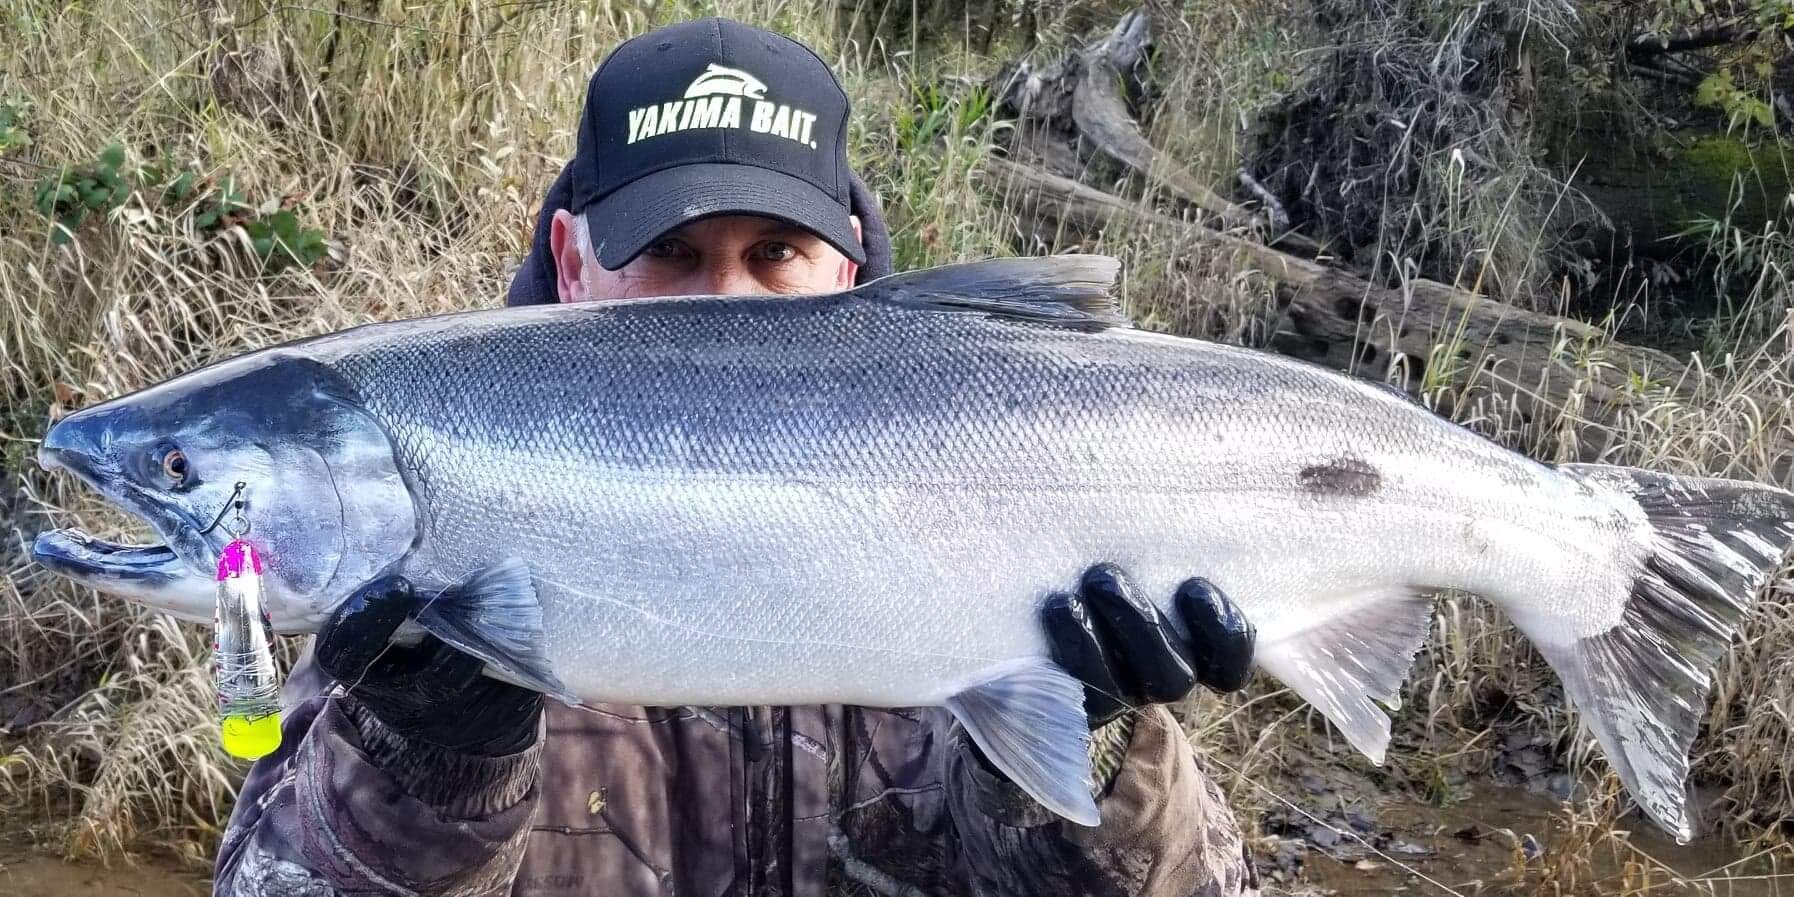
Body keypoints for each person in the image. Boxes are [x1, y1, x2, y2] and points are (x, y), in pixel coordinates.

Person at [214, 18, 1260, 897]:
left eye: (776, 254)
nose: (726, 297)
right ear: (574, 262)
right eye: (670, 253)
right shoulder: (430, 543)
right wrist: (436, 760)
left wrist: (1109, 743)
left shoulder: (1003, 477)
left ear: (846, 258)